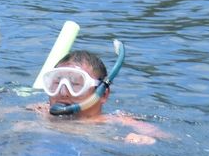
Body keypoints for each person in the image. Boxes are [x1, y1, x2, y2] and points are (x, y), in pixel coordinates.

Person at [37, 46, 165, 144]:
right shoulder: (40, 111)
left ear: (103, 94)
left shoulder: (119, 121)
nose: (63, 92)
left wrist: (146, 139)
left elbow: (164, 137)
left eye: (76, 84)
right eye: (56, 83)